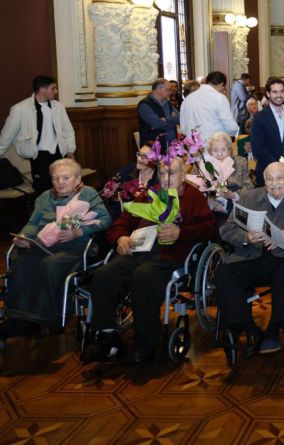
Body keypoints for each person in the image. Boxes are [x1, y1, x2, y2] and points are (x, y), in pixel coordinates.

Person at [81, 155, 214, 364]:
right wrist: (121, 237)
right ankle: (107, 338)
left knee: (144, 276)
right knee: (104, 275)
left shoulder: (192, 196)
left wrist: (181, 232)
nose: (166, 177)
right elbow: (120, 223)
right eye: (162, 173)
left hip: (168, 255)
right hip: (136, 251)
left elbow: (208, 229)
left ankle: (148, 341)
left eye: (172, 173)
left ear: (182, 175)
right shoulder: (149, 195)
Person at [216, 161, 284, 355]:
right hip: (251, 256)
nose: (274, 183)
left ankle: (274, 328)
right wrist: (245, 237)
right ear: (264, 181)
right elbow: (226, 229)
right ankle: (248, 328)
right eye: (269, 179)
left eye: (279, 178)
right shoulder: (249, 197)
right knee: (224, 274)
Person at [0, 159, 111, 340]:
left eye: (66, 177)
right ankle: (17, 317)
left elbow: (105, 220)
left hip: (74, 247)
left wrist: (79, 232)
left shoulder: (88, 194)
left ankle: (45, 317)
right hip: (43, 245)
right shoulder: (44, 198)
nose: (60, 182)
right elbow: (32, 224)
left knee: (50, 265)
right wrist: (23, 237)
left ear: (77, 179)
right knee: (22, 263)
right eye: (56, 178)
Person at [0, 75, 76, 194]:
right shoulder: (20, 109)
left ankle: (63, 212)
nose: (56, 91)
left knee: (63, 190)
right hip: (38, 156)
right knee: (43, 192)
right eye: (53, 88)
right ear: (42, 89)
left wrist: (70, 150)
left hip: (58, 154)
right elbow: (6, 136)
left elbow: (68, 130)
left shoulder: (58, 107)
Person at [250, 78, 284, 187]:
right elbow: (257, 148)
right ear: (268, 94)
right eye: (275, 92)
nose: (279, 95)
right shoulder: (259, 117)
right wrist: (277, 165)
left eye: (281, 91)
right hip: (267, 172)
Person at [191, 132, 251, 217]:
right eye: (215, 150)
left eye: (223, 149)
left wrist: (234, 195)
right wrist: (207, 200)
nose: (219, 154)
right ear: (210, 152)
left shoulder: (240, 162)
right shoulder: (202, 165)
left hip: (234, 207)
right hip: (210, 209)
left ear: (229, 151)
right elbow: (193, 189)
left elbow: (249, 187)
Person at [102, 141, 160, 221]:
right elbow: (110, 199)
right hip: (123, 219)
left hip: (146, 220)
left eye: (144, 157)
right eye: (139, 154)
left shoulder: (159, 178)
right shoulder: (126, 171)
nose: (139, 159)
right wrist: (112, 196)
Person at [179, 71, 239, 141]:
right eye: (224, 88)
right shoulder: (219, 98)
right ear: (222, 84)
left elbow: (183, 129)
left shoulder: (187, 99)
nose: (224, 90)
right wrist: (237, 133)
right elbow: (231, 127)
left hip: (193, 147)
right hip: (214, 146)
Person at [137, 78, 180, 147]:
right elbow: (158, 125)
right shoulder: (145, 105)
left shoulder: (168, 103)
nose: (170, 92)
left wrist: (166, 119)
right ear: (160, 89)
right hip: (154, 149)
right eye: (168, 89)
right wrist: (173, 121)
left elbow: (179, 117)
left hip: (172, 147)